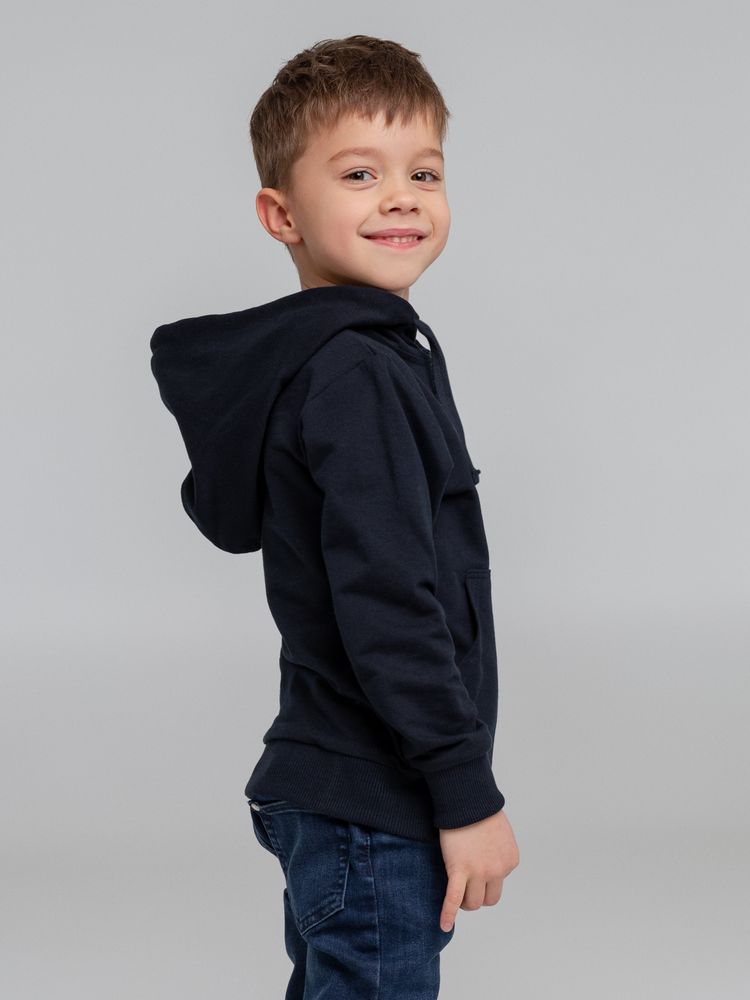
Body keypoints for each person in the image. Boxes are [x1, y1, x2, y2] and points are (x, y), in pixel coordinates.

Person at [150, 33, 519, 1000]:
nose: (402, 197)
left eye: (424, 172)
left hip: (338, 792)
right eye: (360, 173)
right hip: (374, 805)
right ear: (282, 215)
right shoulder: (358, 373)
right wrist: (465, 792)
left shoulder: (354, 360)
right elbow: (389, 603)